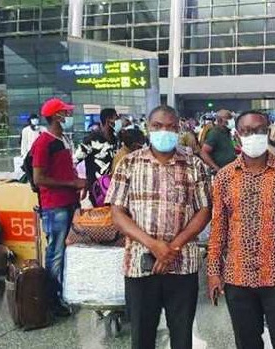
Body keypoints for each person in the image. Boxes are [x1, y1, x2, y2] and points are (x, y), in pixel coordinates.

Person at [207, 111, 275, 349]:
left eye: (259, 130)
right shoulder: (224, 177)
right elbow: (218, 228)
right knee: (246, 343)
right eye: (247, 131)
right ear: (237, 136)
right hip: (238, 276)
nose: (253, 136)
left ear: (267, 133)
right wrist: (214, 272)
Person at [106, 105, 211, 349]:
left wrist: (172, 247)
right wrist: (153, 245)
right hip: (140, 267)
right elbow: (117, 213)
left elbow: (204, 211)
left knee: (182, 335)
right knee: (142, 337)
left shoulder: (194, 165)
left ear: (179, 129)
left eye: (171, 127)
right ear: (148, 128)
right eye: (158, 126)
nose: (164, 131)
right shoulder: (129, 164)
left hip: (182, 264)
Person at [32, 98, 86, 317]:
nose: (68, 115)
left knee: (65, 252)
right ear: (56, 116)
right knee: (55, 253)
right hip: (55, 206)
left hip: (67, 202)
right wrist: (72, 184)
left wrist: (75, 185)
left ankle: (61, 294)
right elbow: (39, 178)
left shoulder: (62, 139)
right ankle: (52, 300)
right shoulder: (44, 142)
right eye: (65, 112)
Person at [75, 108, 121, 206]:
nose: (118, 121)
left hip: (114, 188)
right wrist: (81, 183)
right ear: (108, 120)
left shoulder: (116, 139)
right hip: (97, 190)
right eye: (116, 118)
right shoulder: (91, 140)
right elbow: (74, 160)